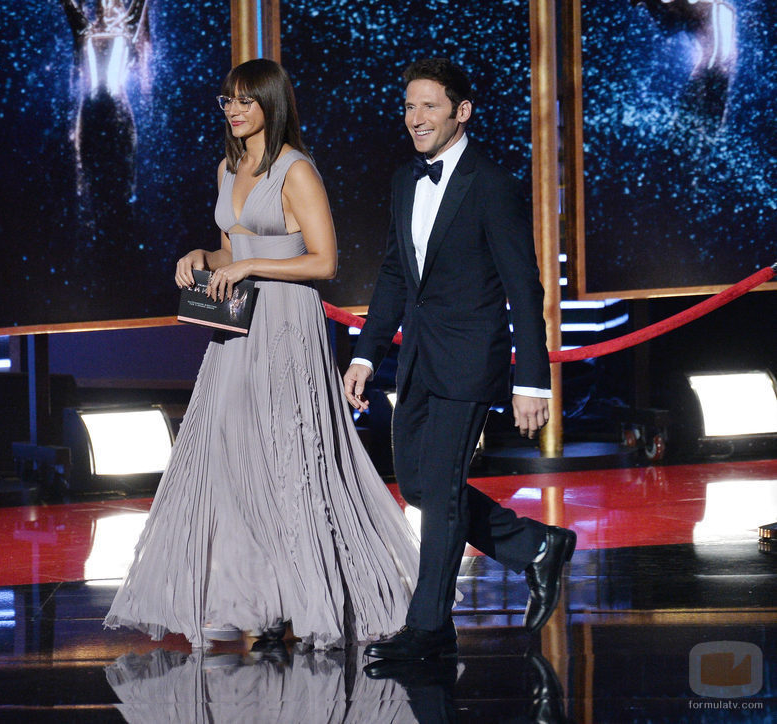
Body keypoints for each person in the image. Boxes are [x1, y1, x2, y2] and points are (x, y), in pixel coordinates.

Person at [104, 58, 424, 651]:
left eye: (246, 101)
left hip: (287, 328)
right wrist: (203, 255)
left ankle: (315, 597)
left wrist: (250, 263)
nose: (233, 110)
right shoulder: (230, 167)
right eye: (227, 100)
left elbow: (323, 262)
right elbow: (234, 250)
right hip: (234, 331)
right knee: (227, 456)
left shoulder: (296, 170)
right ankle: (245, 597)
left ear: (271, 104)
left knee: (289, 461)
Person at [343, 58, 577, 661]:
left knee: (441, 492)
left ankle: (428, 628)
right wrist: (366, 357)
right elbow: (395, 273)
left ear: (461, 111)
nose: (416, 119)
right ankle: (535, 548)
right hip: (417, 360)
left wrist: (534, 382)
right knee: (421, 486)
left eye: (429, 107)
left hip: (471, 360)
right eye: (409, 107)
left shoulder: (491, 183)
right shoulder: (403, 180)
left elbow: (525, 287)